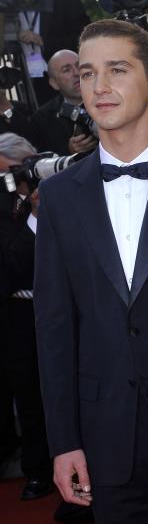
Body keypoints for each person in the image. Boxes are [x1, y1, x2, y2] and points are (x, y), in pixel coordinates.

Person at [33, 19, 148, 524]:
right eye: (87, 73)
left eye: (117, 69)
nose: (99, 86)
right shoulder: (59, 195)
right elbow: (54, 325)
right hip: (106, 429)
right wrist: (63, 441)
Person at [0, 133, 52, 501]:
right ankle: (38, 471)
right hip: (19, 313)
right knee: (30, 394)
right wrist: (34, 215)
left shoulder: (62, 194)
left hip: (62, 309)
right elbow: (12, 265)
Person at [8, 0, 91, 107]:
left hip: (63, 84)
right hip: (20, 82)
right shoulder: (7, 0)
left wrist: (43, 41)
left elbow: (85, 39)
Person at [29, 49, 96, 156]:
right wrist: (69, 151)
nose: (76, 73)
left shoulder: (110, 99)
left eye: (79, 65)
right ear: (54, 83)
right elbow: (41, 160)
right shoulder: (42, 118)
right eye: (66, 70)